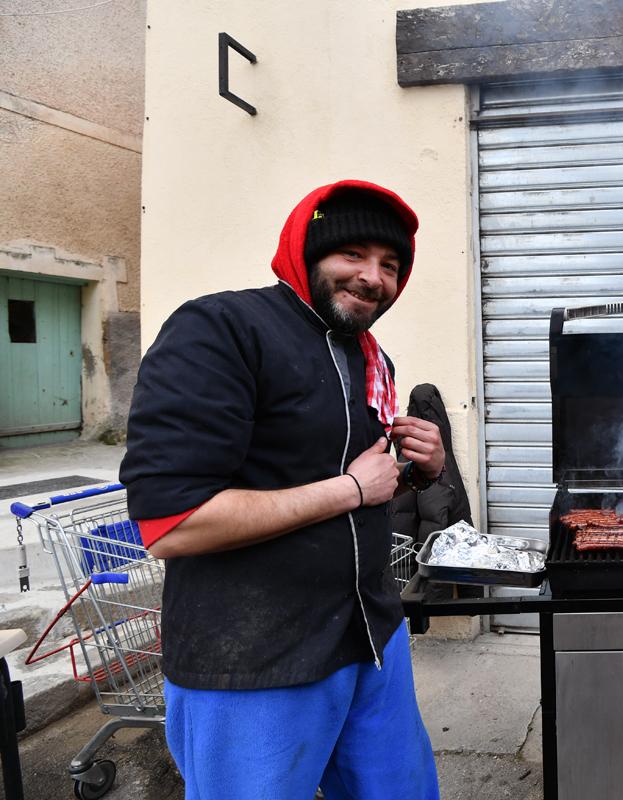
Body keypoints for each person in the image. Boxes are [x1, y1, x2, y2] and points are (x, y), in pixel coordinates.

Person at [120, 180, 444, 800]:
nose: (374, 277)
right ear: (306, 249)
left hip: (370, 638)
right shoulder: (222, 329)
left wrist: (415, 471)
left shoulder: (369, 357)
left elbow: (361, 481)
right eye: (352, 253)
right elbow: (172, 524)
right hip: (255, 660)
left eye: (391, 265)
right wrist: (350, 488)